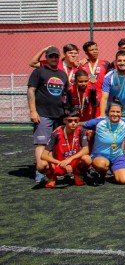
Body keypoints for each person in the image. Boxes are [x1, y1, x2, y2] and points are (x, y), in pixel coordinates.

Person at [28, 46, 69, 183]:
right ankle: (40, 170)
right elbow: (31, 91)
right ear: (46, 57)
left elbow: (64, 95)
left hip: (59, 115)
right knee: (42, 142)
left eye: (56, 56)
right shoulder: (39, 71)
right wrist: (33, 111)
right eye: (50, 56)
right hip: (43, 114)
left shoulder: (63, 75)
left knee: (57, 144)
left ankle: (56, 171)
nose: (53, 58)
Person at [83, 102, 125, 185]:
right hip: (100, 156)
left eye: (118, 112)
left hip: (117, 156)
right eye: (112, 111)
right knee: (101, 164)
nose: (115, 114)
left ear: (121, 113)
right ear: (108, 112)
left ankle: (115, 169)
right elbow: (82, 125)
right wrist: (90, 133)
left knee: (124, 180)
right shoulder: (99, 122)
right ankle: (102, 174)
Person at [39, 109, 90, 188]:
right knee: (41, 165)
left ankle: (77, 174)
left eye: (76, 121)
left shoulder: (81, 130)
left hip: (73, 161)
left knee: (87, 159)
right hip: (59, 162)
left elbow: (86, 149)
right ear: (65, 121)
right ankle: (52, 176)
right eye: (70, 121)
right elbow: (43, 155)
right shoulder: (57, 133)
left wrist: (70, 159)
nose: (73, 123)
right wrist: (60, 163)